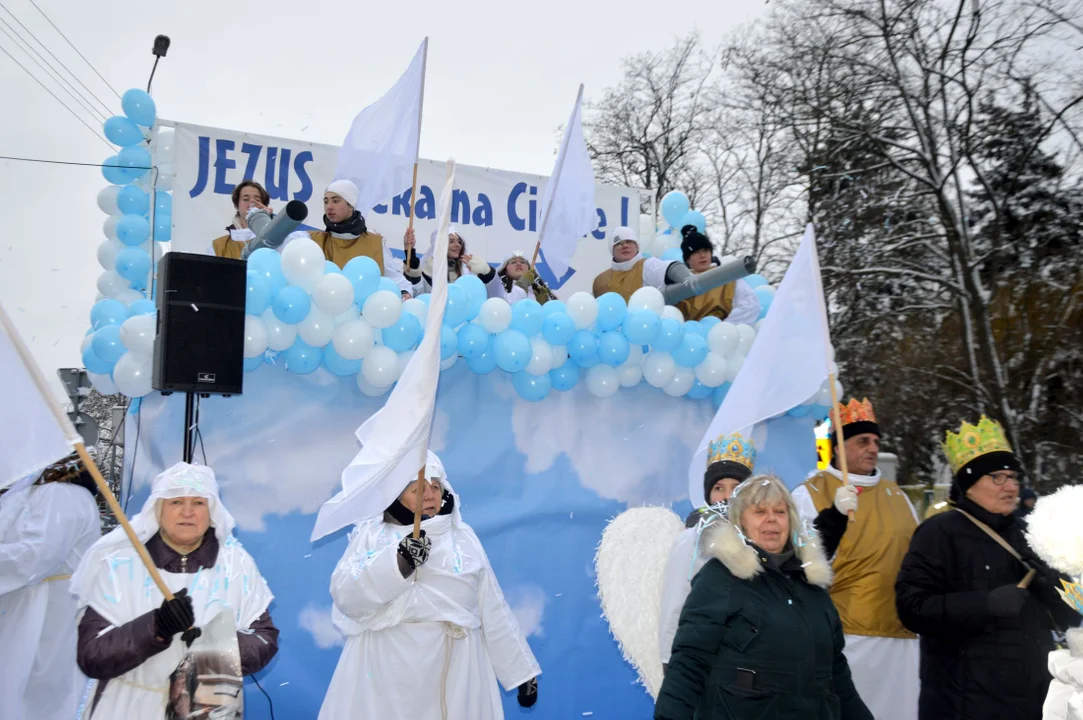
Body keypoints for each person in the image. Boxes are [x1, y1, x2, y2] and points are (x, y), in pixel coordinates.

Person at [318, 452, 540, 719]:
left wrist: (520, 672)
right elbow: (346, 594)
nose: (430, 494)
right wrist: (399, 562)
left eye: (435, 486)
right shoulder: (373, 536)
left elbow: (492, 606)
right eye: (418, 488)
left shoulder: (463, 538)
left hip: (457, 670)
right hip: (385, 669)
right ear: (397, 495)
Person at [895, 416, 1080, 720]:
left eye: (1014, 477)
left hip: (1034, 697)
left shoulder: (1031, 533)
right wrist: (985, 604)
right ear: (969, 484)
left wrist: (1050, 583)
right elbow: (911, 608)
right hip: (965, 700)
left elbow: (1072, 614)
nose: (1010, 486)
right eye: (998, 477)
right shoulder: (938, 533)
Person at [654, 475, 872, 719]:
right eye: (759, 511)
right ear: (741, 522)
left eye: (780, 511)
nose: (772, 518)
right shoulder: (719, 579)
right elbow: (690, 662)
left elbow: (837, 675)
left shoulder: (812, 588)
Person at [73, 462, 278, 718]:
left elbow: (264, 639)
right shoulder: (121, 564)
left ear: (212, 509)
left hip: (207, 709)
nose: (188, 512)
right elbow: (92, 655)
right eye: (176, 502)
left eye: (198, 503)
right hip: (128, 707)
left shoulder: (237, 564)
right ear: (158, 509)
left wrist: (215, 646)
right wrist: (156, 628)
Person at [792, 398, 920, 720]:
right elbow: (800, 564)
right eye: (862, 441)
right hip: (843, 636)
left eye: (876, 441)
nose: (873, 448)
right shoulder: (808, 493)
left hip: (900, 638)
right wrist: (834, 515)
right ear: (837, 449)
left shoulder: (899, 496)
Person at [0, 456, 101, 720]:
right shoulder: (35, 490)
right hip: (28, 602)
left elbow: (35, 555)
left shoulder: (61, 494)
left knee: (42, 687)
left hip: (51, 607)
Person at [658, 432, 755, 672]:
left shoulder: (764, 538)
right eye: (719, 488)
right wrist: (670, 662)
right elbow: (675, 604)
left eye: (736, 487)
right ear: (709, 495)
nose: (727, 496)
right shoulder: (691, 541)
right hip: (708, 663)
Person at [309, 179, 414, 298]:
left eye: (335, 201)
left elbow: (395, 279)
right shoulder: (313, 240)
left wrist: (404, 292)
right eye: (326, 202)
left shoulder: (375, 243)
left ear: (350, 205)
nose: (329, 207)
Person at [673, 225, 760, 324]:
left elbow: (750, 305)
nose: (702, 255)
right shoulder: (677, 282)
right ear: (688, 258)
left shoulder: (727, 276)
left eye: (705, 250)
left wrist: (722, 329)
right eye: (696, 252)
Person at [407, 227, 503, 299]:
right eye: (451, 241)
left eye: (459, 241)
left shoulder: (468, 271)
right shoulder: (426, 270)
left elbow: (495, 297)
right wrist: (411, 258)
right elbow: (417, 296)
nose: (457, 245)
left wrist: (488, 273)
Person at [592, 226, 677, 302]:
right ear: (612, 250)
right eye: (618, 243)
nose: (625, 246)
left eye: (629, 241)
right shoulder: (600, 281)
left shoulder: (648, 265)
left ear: (637, 246)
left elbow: (672, 268)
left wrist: (687, 280)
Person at [209, 180, 271, 259]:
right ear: (237, 205)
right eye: (246, 199)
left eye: (257, 200)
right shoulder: (218, 246)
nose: (251, 204)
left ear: (264, 206)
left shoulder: (274, 240)